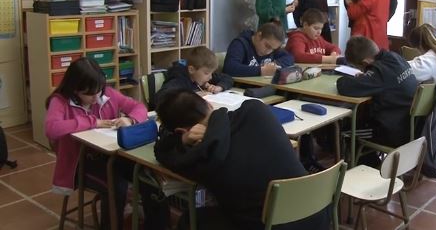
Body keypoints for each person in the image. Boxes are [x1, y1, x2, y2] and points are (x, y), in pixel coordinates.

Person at [154, 88, 331, 230]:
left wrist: (184, 140)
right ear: (208, 103)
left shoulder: (200, 158)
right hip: (316, 215)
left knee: (190, 219)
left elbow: (162, 151)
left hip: (268, 225)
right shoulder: (256, 109)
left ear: (181, 131)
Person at [44, 57, 167, 229]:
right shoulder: (60, 101)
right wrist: (92, 121)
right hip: (79, 164)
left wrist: (130, 120)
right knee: (116, 186)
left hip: (110, 155)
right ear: (74, 89)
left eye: (99, 91)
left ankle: (156, 225)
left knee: (147, 175)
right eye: (89, 93)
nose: (96, 97)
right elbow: (52, 129)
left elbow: (138, 107)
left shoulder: (107, 93)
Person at [336, 36, 418, 148]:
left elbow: (344, 87)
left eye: (358, 67)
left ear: (365, 63)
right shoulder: (395, 57)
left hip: (391, 131)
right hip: (409, 125)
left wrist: (363, 77)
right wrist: (367, 77)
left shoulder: (379, 72)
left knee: (342, 132)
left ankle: (370, 164)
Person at [156, 47, 233, 105]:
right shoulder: (179, 79)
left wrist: (219, 87)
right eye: (206, 73)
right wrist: (192, 96)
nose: (210, 77)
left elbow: (228, 78)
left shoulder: (200, 77)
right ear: (191, 70)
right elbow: (160, 97)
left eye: (211, 73)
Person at [223, 22, 294, 77]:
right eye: (267, 46)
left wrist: (273, 66)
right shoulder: (240, 44)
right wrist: (261, 70)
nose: (269, 51)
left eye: (273, 49)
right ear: (259, 36)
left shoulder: (272, 47)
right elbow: (229, 68)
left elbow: (289, 57)